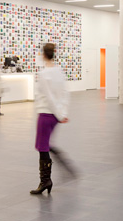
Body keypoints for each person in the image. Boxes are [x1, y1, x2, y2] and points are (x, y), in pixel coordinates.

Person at [29, 43, 72, 195]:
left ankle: (45, 181)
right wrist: (62, 113)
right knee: (45, 145)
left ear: (43, 55)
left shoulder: (44, 74)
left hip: (46, 113)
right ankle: (50, 176)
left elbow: (49, 97)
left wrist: (60, 114)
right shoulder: (59, 71)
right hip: (54, 115)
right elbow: (65, 93)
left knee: (42, 147)